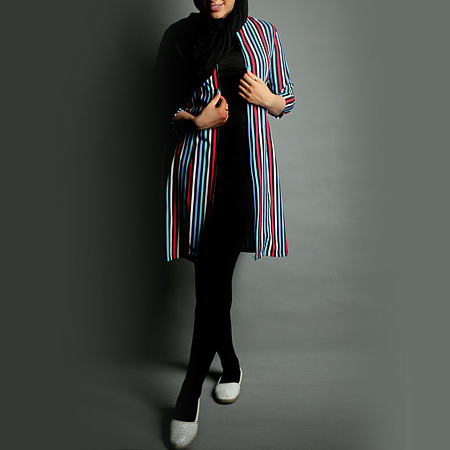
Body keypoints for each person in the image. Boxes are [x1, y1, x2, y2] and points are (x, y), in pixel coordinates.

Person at [155, 1, 295, 448]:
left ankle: (189, 392)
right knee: (212, 284)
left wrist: (270, 101)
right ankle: (230, 365)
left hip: (246, 178)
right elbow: (159, 105)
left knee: (211, 283)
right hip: (198, 176)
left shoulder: (263, 33)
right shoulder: (180, 36)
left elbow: (286, 97)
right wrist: (198, 120)